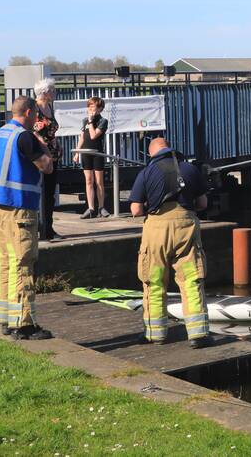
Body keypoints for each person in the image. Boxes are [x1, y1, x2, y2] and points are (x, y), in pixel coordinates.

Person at [0, 96, 54, 340]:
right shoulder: (25, 136)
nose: (37, 119)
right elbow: (47, 166)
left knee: (6, 263)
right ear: (29, 112)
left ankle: (6, 319)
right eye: (36, 115)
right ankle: (24, 324)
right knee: (23, 264)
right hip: (18, 209)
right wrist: (42, 142)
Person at [129, 137, 211, 348]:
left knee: (153, 281)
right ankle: (198, 334)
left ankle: (155, 334)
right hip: (186, 227)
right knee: (192, 279)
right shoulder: (190, 169)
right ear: (171, 149)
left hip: (156, 230)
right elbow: (202, 203)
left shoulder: (146, 172)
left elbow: (136, 210)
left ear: (151, 153)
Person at [32, 78, 63, 241]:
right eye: (52, 89)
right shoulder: (34, 108)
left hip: (53, 154)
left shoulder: (50, 106)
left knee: (50, 193)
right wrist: (41, 142)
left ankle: (49, 227)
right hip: (41, 156)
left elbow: (52, 129)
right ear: (44, 92)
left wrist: (57, 143)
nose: (54, 92)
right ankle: (42, 228)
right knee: (42, 192)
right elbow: (31, 130)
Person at [72, 96, 109, 218]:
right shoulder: (84, 121)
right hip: (86, 153)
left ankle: (101, 207)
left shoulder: (103, 121)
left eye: (94, 107)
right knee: (88, 181)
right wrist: (77, 153)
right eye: (89, 107)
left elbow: (93, 136)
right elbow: (82, 137)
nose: (91, 109)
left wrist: (91, 121)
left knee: (99, 181)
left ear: (100, 109)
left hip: (97, 153)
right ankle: (91, 207)